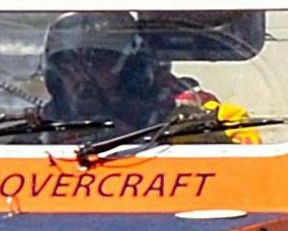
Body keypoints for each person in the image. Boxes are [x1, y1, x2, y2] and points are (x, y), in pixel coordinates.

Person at [40, 11, 248, 140]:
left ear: (132, 68)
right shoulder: (39, 125)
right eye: (68, 64)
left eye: (99, 63)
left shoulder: (195, 116)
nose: (83, 76)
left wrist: (140, 137)